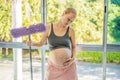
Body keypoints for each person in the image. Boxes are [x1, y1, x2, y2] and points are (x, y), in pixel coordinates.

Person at [27, 7, 78, 80]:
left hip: (69, 68)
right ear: (63, 14)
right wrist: (32, 43)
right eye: (68, 19)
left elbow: (74, 47)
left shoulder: (71, 31)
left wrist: (73, 58)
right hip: (53, 68)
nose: (69, 22)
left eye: (71, 21)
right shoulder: (48, 28)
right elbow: (41, 43)